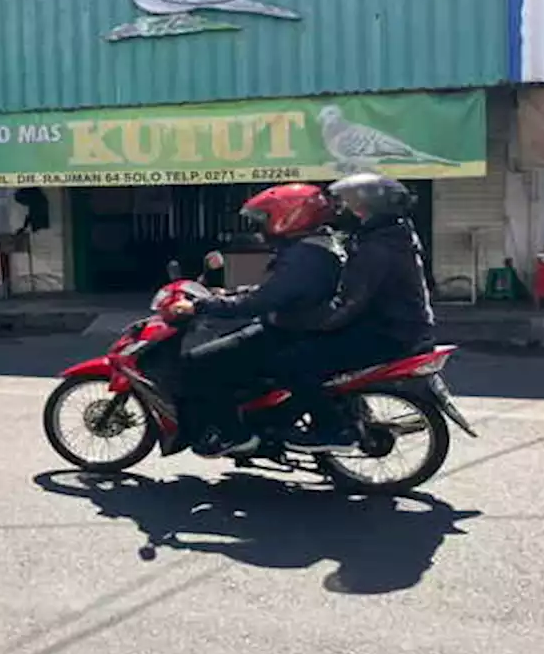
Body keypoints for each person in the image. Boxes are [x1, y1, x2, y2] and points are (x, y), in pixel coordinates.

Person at [167, 183, 344, 458]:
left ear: (290, 216)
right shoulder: (316, 246)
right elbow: (276, 292)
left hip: (289, 330)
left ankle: (235, 435)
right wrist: (228, 295)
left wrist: (202, 306)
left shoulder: (305, 256)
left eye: (265, 219)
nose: (261, 228)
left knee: (199, 363)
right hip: (295, 324)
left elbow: (260, 302)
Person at [271, 173, 437, 453]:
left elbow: (348, 306)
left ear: (370, 210)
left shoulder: (377, 249)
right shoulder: (393, 235)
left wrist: (305, 322)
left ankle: (332, 430)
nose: (342, 211)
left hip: (388, 332)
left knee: (296, 360)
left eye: (351, 205)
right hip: (400, 325)